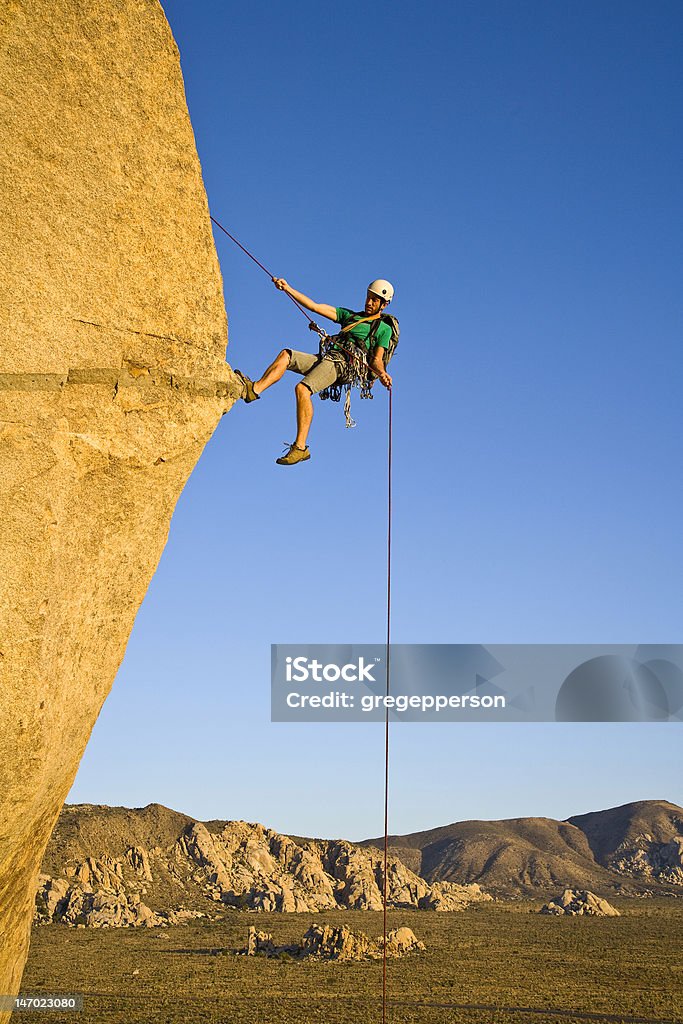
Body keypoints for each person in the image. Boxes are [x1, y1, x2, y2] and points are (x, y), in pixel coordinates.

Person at [235, 279, 395, 465]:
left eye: (375, 300)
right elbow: (314, 307)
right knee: (287, 355)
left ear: (384, 304)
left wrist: (382, 374)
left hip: (342, 365)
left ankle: (300, 447)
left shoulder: (383, 329)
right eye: (368, 297)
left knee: (302, 389)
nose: (369, 302)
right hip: (329, 358)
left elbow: (376, 359)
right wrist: (287, 289)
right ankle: (253, 390)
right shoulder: (349, 316)